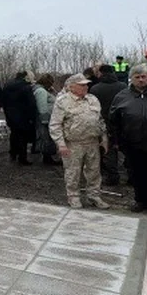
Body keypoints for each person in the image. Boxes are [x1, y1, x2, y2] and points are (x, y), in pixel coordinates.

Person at [50, 73, 110, 209]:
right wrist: (61, 144)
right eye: (82, 85)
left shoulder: (93, 99)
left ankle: (94, 195)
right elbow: (55, 125)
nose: (86, 87)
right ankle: (73, 196)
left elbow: (99, 120)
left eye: (86, 85)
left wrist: (104, 137)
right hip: (73, 143)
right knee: (73, 172)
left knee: (94, 171)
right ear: (72, 87)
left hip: (92, 142)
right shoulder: (63, 101)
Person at [109, 64, 147, 212]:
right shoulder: (122, 96)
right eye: (137, 77)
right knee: (138, 174)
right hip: (133, 141)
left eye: (144, 77)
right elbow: (113, 120)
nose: (141, 80)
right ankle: (141, 201)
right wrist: (116, 141)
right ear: (131, 79)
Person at [90, 64, 127, 186]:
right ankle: (129, 175)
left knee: (105, 150)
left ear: (100, 73)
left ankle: (110, 175)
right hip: (121, 122)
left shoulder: (95, 89)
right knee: (123, 150)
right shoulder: (123, 87)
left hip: (103, 121)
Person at [2, 71, 39, 165]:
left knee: (14, 134)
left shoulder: (7, 85)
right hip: (23, 115)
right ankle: (22, 158)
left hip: (10, 114)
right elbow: (31, 103)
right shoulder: (26, 86)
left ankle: (13, 153)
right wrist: (33, 117)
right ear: (25, 77)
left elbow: (4, 101)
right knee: (23, 137)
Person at [33, 74, 58, 165]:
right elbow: (42, 106)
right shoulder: (41, 91)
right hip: (45, 119)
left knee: (46, 138)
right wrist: (45, 120)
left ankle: (48, 157)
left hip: (47, 118)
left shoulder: (43, 90)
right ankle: (47, 158)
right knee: (45, 138)